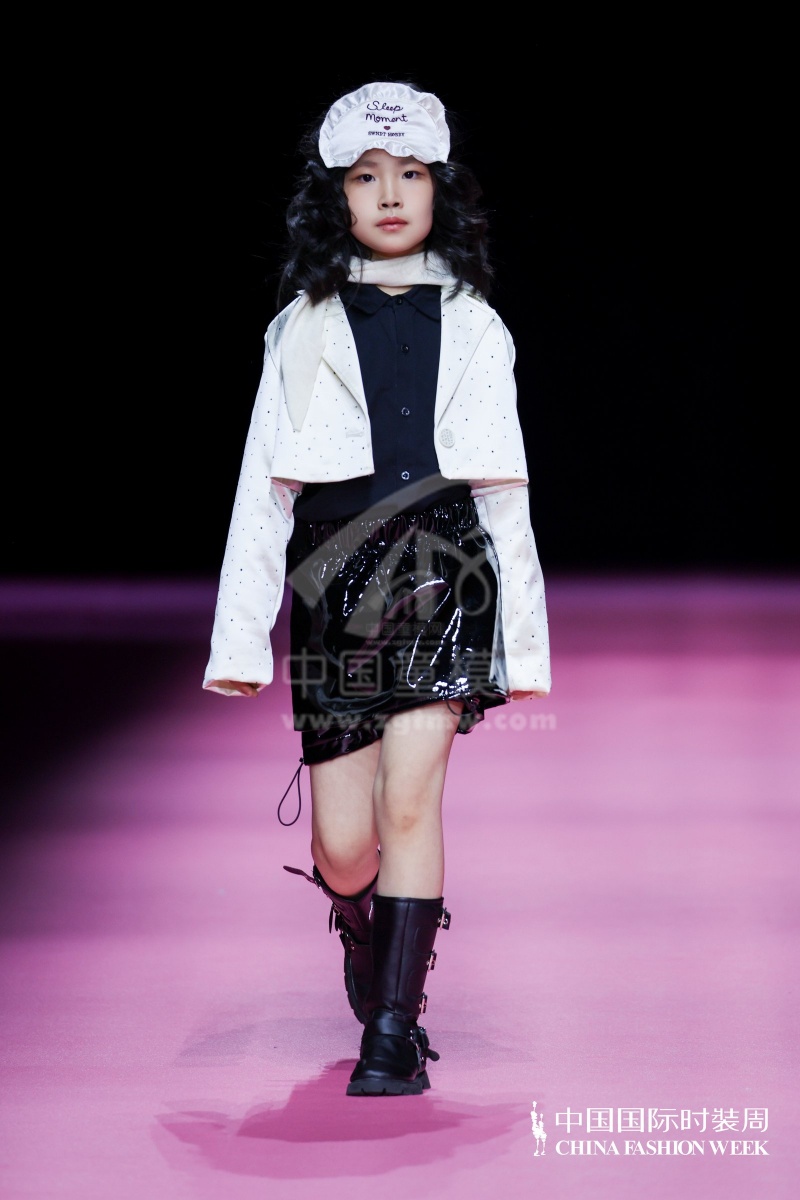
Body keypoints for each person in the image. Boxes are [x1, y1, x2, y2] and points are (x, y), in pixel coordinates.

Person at [203, 80, 551, 1097]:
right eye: (366, 177)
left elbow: (504, 489)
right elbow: (263, 490)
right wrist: (238, 640)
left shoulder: (478, 325)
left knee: (410, 801)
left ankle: (393, 1031)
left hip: (445, 570)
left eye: (408, 174)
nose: (390, 194)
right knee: (344, 847)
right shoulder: (298, 328)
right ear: (336, 195)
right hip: (334, 579)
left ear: (440, 187)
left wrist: (525, 644)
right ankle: (361, 927)